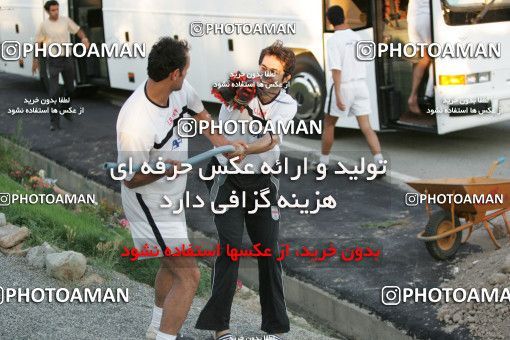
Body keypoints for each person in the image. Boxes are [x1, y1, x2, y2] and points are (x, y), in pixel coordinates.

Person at [116, 37, 246, 340]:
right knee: (189, 276)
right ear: (174, 73)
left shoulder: (180, 91)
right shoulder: (135, 122)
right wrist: (164, 168)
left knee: (172, 266)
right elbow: (129, 178)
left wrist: (224, 147)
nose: (187, 76)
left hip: (170, 199)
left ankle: (155, 328)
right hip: (147, 203)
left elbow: (202, 117)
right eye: (185, 72)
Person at [195, 41, 296, 340]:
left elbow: (271, 140)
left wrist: (247, 149)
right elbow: (221, 131)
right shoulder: (239, 90)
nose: (265, 75)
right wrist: (234, 101)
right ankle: (220, 328)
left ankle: (274, 330)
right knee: (230, 248)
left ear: (285, 78)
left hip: (262, 181)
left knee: (270, 252)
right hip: (227, 177)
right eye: (263, 68)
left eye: (274, 72)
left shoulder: (288, 105)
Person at [313, 5, 385, 172]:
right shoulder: (358, 38)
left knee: (329, 124)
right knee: (366, 127)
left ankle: (323, 162)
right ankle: (380, 162)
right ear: (344, 17)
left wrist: (338, 94)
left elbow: (336, 69)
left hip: (344, 87)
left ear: (329, 22)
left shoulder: (333, 41)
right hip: (361, 85)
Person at [33, 0, 90, 131]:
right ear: (47, 11)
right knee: (54, 92)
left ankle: (65, 107)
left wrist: (84, 38)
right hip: (53, 60)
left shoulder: (65, 20)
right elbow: (38, 43)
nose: (56, 12)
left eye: (57, 9)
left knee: (71, 88)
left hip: (67, 59)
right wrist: (36, 59)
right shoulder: (44, 25)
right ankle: (54, 122)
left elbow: (78, 30)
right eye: (53, 10)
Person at [407, 0, 433, 114]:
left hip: (412, 18)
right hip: (426, 17)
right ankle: (429, 95)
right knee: (437, 56)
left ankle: (413, 96)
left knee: (424, 58)